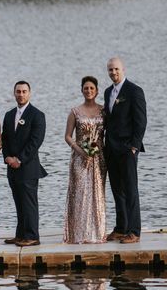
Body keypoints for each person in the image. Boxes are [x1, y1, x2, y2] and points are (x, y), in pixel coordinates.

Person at [103, 57, 147, 244]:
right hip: (111, 149)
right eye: (110, 70)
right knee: (116, 190)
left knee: (130, 190)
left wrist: (134, 147)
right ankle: (121, 228)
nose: (113, 72)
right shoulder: (107, 92)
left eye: (116, 69)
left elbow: (141, 121)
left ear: (123, 69)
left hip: (128, 149)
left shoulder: (134, 91)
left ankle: (134, 231)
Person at [1, 81, 48, 247]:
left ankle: (32, 235)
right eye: (18, 91)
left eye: (24, 91)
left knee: (29, 203)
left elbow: (35, 142)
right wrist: (7, 157)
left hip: (28, 167)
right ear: (14, 93)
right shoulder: (8, 115)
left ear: (29, 93)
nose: (21, 94)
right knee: (19, 202)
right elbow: (4, 139)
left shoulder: (37, 115)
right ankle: (20, 234)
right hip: (11, 168)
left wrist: (19, 159)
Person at [63, 76, 106, 244]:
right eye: (86, 88)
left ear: (96, 91)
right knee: (80, 193)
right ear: (82, 90)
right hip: (79, 157)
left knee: (97, 194)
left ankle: (96, 233)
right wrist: (80, 151)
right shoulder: (75, 111)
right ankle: (78, 234)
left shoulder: (104, 111)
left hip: (98, 157)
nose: (89, 91)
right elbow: (67, 137)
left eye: (92, 88)